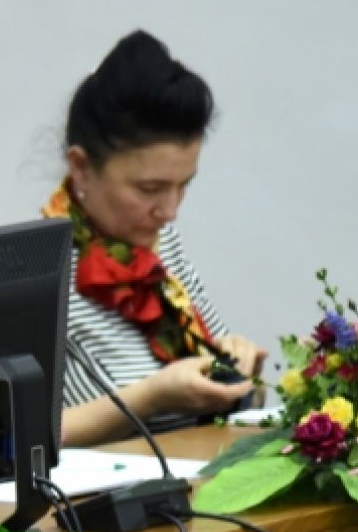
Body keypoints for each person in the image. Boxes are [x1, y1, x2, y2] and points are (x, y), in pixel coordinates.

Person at [44, 31, 266, 446]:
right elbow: (15, 441)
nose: (169, 211)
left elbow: (215, 389)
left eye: (184, 185)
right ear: (81, 168)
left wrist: (237, 368)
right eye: (149, 189)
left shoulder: (161, 249)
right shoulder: (39, 272)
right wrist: (151, 397)